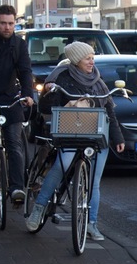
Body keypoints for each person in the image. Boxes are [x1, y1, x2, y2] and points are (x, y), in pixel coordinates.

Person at [26, 41, 126, 240]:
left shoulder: (98, 81)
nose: (92, 61)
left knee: (94, 182)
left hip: (98, 137)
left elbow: (108, 111)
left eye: (92, 57)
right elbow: (46, 108)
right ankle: (39, 207)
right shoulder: (62, 78)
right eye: (87, 58)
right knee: (60, 166)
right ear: (76, 60)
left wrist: (118, 137)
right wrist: (49, 91)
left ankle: (92, 223)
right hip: (71, 134)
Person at [0, 4, 34, 203]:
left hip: (10, 99)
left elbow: (25, 71)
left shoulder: (19, 44)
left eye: (11, 23)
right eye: (3, 23)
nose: (7, 27)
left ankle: (17, 189)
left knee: (14, 143)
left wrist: (27, 94)